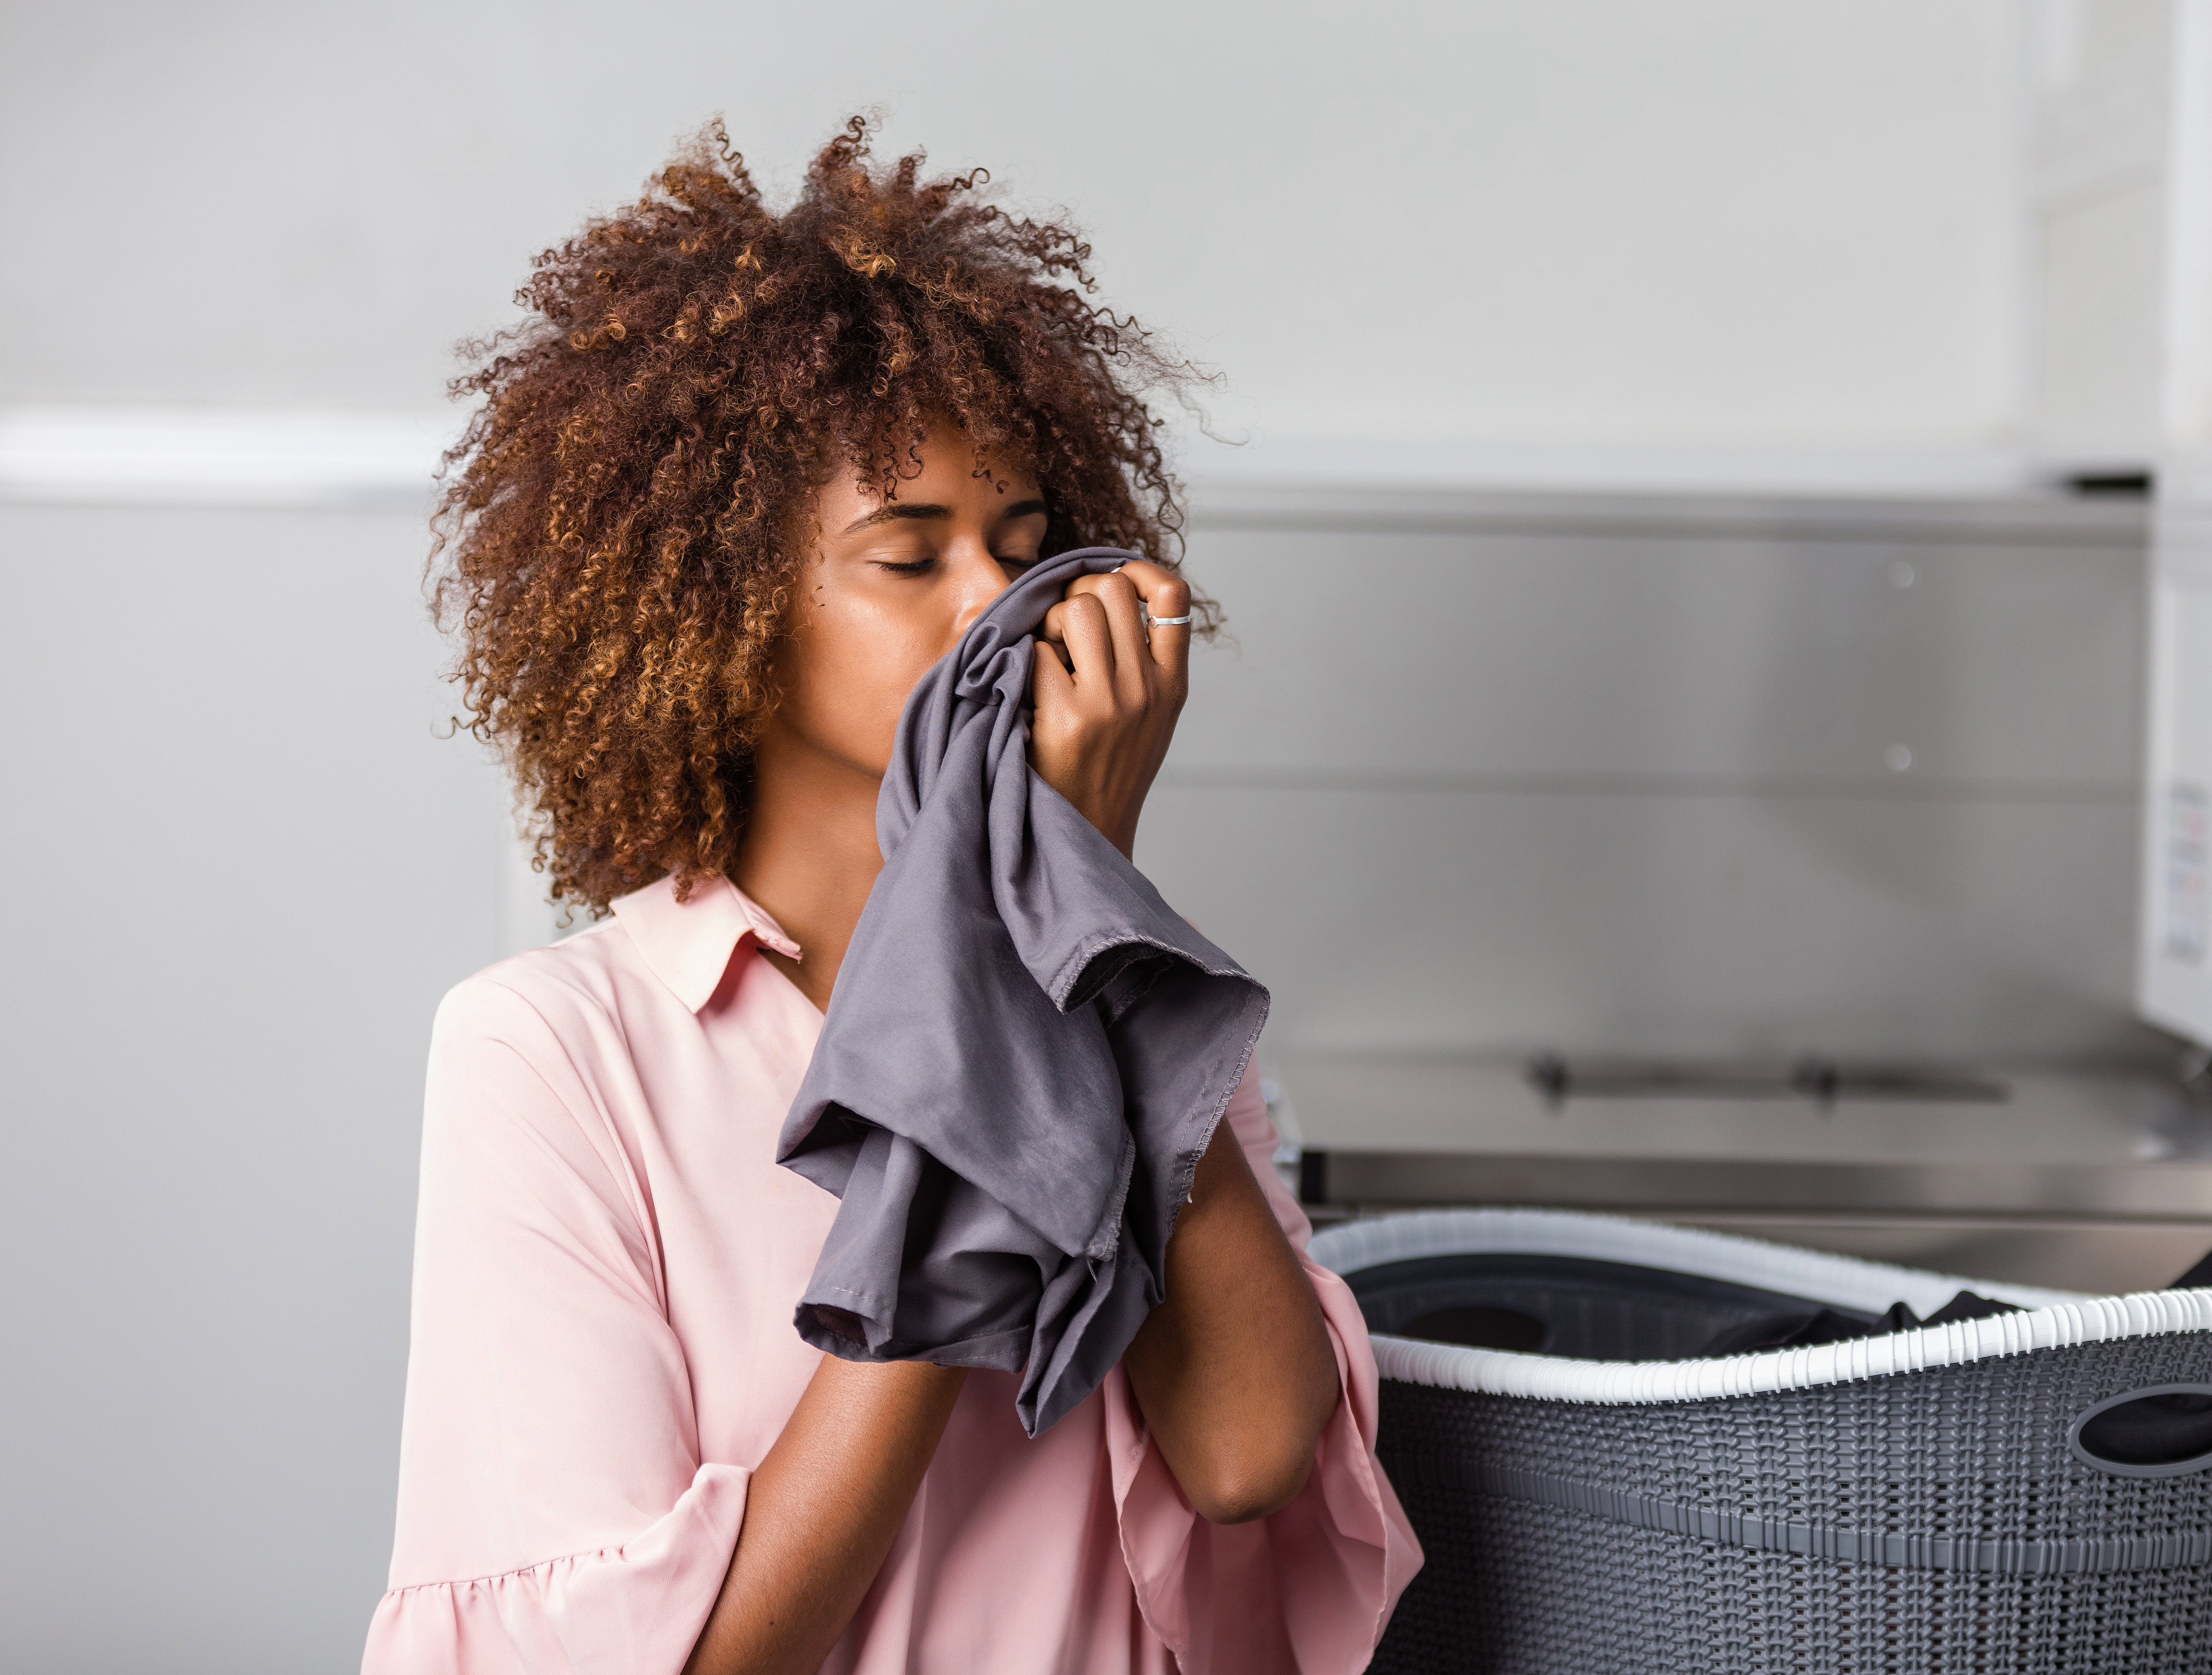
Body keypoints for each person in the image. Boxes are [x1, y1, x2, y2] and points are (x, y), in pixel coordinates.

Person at [361, 118, 1420, 1675]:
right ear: (725, 616)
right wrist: (992, 1009)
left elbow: (1252, 1451)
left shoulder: (1135, 985)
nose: (1004, 608)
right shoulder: (555, 1054)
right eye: (907, 558)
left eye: (1024, 544)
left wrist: (1082, 916)